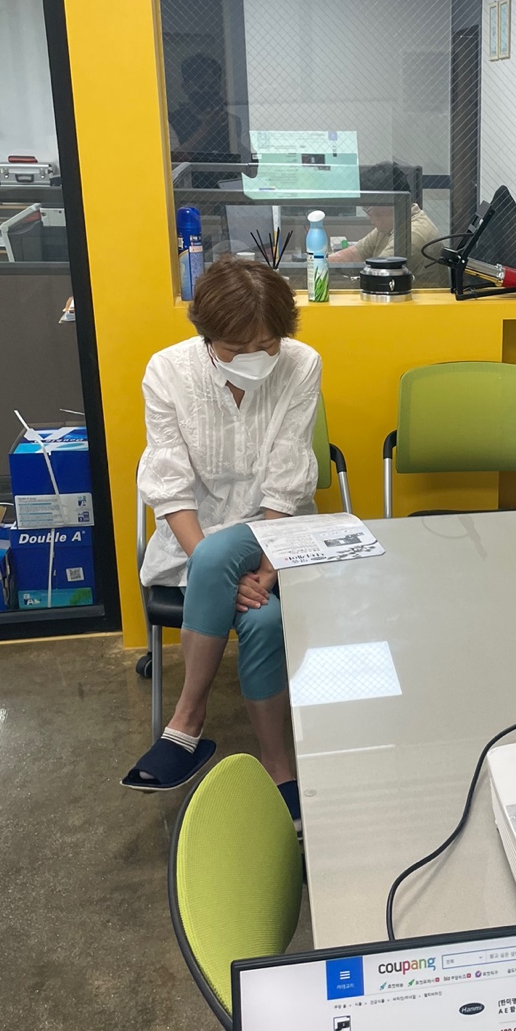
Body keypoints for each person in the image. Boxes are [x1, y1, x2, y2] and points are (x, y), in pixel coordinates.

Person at [122, 257, 321, 835]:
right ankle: (278, 767)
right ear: (206, 336)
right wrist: (220, 570)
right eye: (237, 347)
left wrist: (265, 571)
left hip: (276, 531)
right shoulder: (168, 372)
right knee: (263, 620)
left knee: (233, 574)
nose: (257, 357)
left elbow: (287, 474)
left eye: (268, 344)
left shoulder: (302, 363)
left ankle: (185, 725)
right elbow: (169, 484)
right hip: (195, 537)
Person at [331, 161, 439, 282]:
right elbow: (354, 254)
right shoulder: (393, 224)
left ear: (389, 202)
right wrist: (320, 263)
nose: (367, 215)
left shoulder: (412, 235)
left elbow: (376, 276)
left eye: (368, 207)